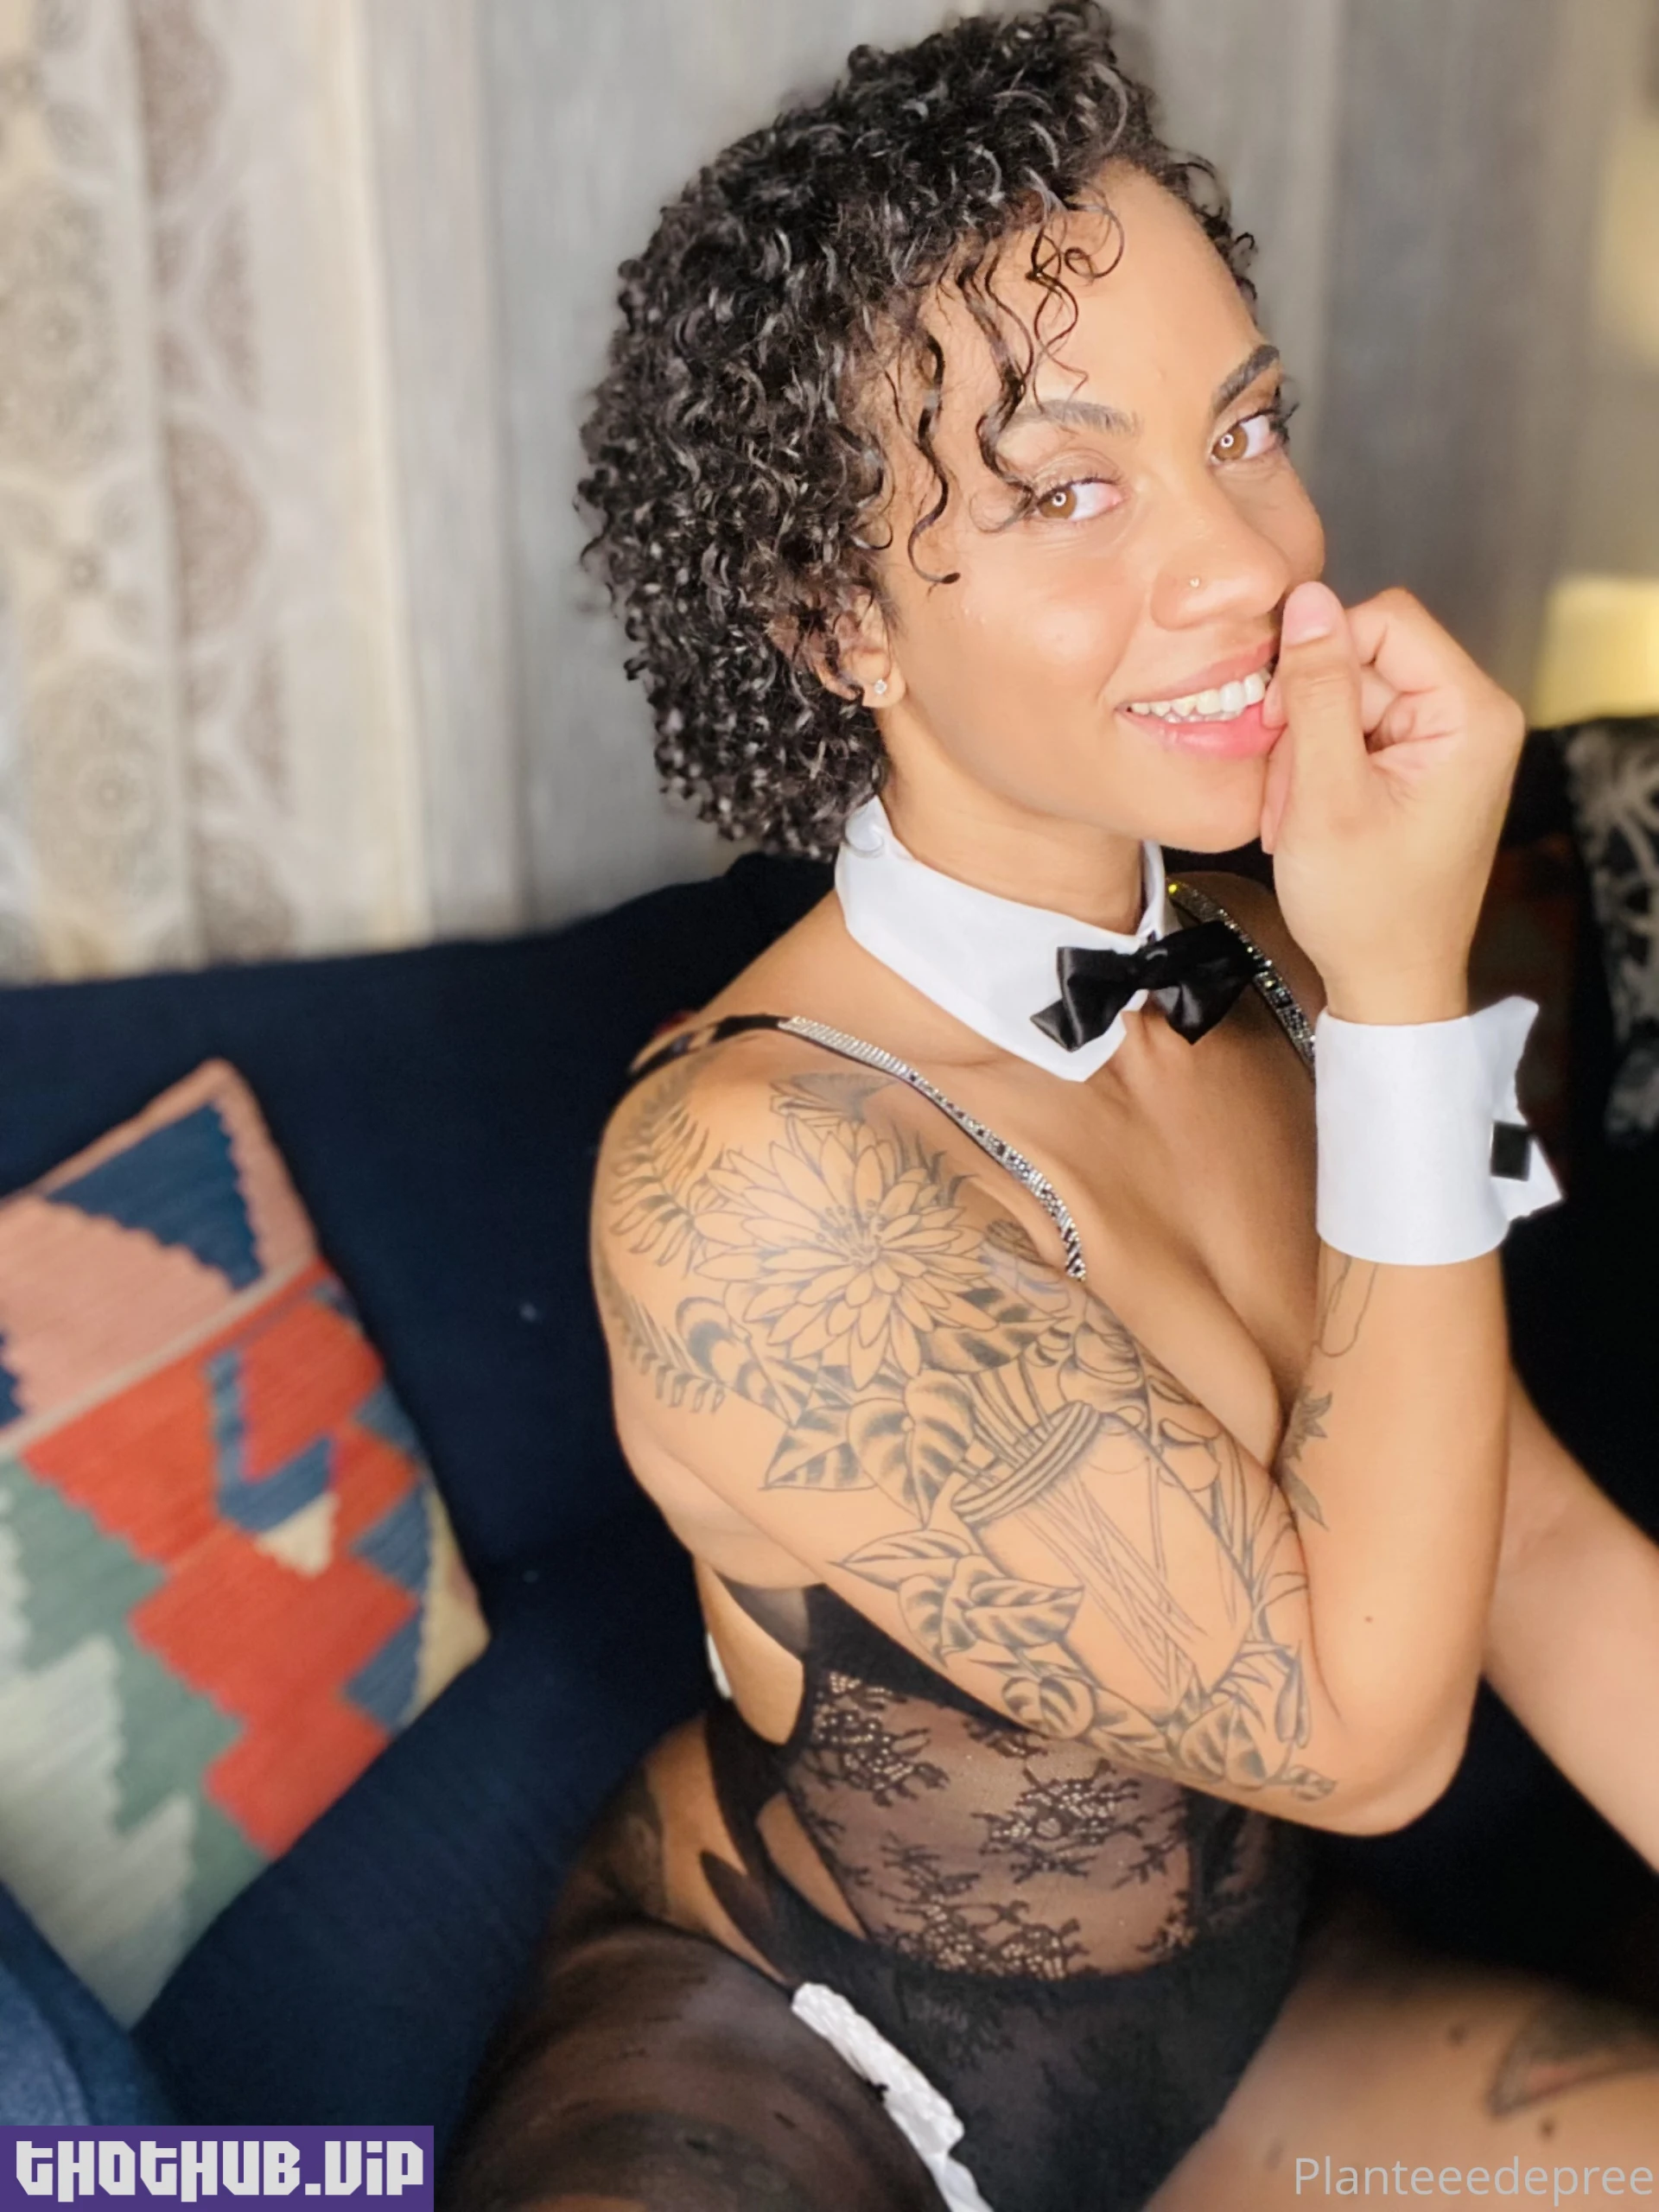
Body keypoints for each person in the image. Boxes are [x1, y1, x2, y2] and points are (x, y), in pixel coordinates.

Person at [441, 8, 1659, 2208]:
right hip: (788, 2088)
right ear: (838, 617)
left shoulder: (1264, 955)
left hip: (1230, 2031)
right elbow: (1369, 1733)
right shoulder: (754, 1179)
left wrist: (1365, 983)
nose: (1246, 565)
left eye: (1247, 427)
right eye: (1070, 486)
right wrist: (1408, 996)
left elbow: (1540, 1549)